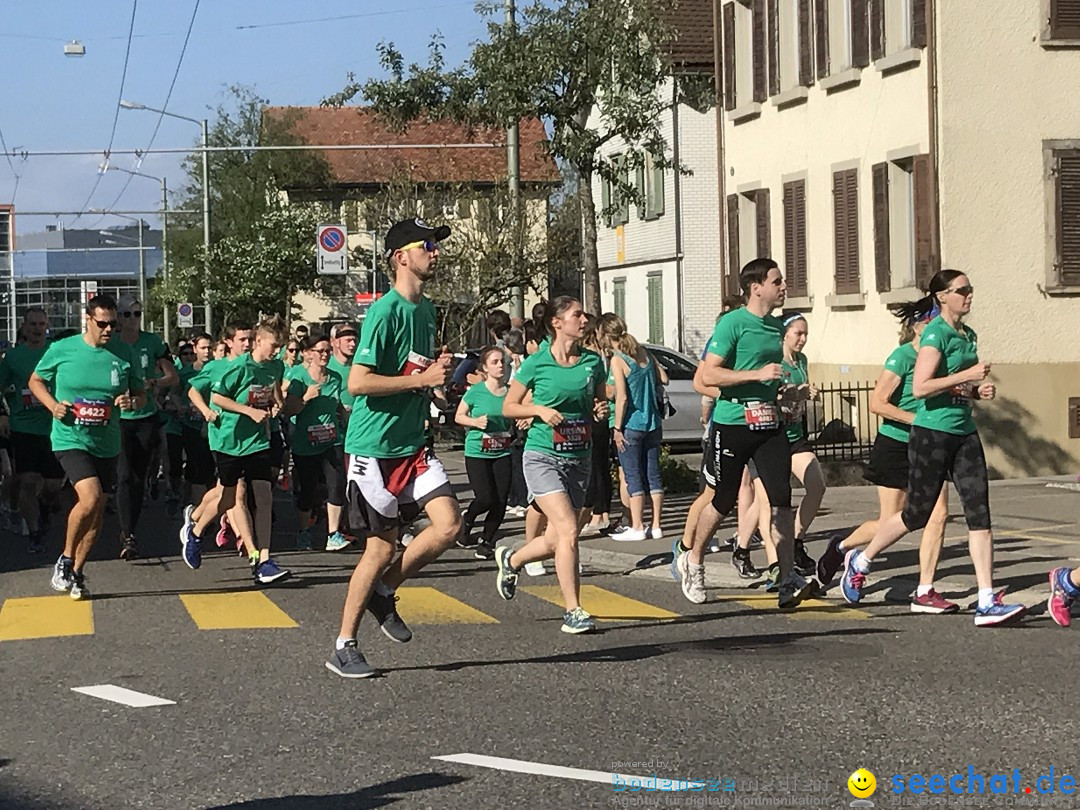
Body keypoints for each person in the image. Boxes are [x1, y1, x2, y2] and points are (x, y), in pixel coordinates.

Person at [839, 269, 1025, 626]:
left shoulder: (967, 335)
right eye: (962, 290)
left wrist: (974, 393)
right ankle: (860, 561)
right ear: (942, 297)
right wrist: (966, 377)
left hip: (964, 431)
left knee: (979, 512)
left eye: (971, 288)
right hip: (931, 433)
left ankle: (986, 599)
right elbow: (922, 387)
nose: (969, 295)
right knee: (917, 514)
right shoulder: (935, 335)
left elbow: (950, 389)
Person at [326, 218, 462, 679]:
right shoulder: (384, 312)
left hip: (412, 444)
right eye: (428, 245)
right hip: (373, 448)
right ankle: (344, 644)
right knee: (379, 548)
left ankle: (385, 592)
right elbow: (358, 382)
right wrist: (420, 379)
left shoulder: (426, 310)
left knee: (448, 526)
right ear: (401, 256)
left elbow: (415, 375)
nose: (436, 252)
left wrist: (435, 383)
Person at [674, 259, 815, 609]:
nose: (784, 286)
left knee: (781, 500)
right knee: (722, 500)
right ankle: (693, 561)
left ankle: (786, 579)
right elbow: (707, 376)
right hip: (733, 423)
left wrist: (787, 393)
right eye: (777, 281)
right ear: (756, 287)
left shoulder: (773, 328)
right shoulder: (733, 324)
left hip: (769, 424)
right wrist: (755, 376)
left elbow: (769, 379)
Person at [815, 303, 953, 613]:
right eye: (932, 319)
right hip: (896, 444)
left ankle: (925, 589)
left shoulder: (941, 359)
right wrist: (914, 419)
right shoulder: (902, 357)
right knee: (893, 521)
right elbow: (877, 403)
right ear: (917, 326)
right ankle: (844, 548)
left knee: (938, 513)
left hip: (931, 445)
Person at [493, 296, 609, 634]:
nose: (584, 319)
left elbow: (597, 401)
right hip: (542, 455)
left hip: (579, 457)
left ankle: (511, 560)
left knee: (558, 537)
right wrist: (539, 411)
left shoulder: (592, 362)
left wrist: (599, 411)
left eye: (584, 315)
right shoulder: (536, 363)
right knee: (570, 529)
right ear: (557, 323)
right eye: (577, 315)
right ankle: (573, 610)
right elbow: (509, 407)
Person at [29, 295, 145, 600]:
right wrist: (53, 405)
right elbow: (36, 381)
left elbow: (141, 395)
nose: (109, 330)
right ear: (89, 321)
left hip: (106, 443)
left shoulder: (124, 353)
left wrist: (132, 401)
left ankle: (78, 573)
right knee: (91, 496)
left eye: (114, 325)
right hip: (70, 438)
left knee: (95, 514)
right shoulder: (62, 350)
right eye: (103, 324)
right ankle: (66, 559)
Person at [180, 315, 291, 584]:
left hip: (258, 441)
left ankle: (263, 560)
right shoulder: (237, 367)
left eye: (280, 347)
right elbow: (217, 397)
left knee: (263, 497)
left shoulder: (275, 367)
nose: (276, 351)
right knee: (228, 498)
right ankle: (195, 532)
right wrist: (246, 411)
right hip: (229, 440)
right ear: (259, 341)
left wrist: (277, 406)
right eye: (273, 346)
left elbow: (275, 393)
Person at [748, 313, 824, 586]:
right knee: (770, 501)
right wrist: (798, 392)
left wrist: (806, 392)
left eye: (805, 334)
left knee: (816, 484)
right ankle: (774, 565)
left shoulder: (801, 361)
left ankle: (795, 539)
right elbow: (775, 395)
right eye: (798, 334)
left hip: (795, 435)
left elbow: (800, 392)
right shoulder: (774, 361)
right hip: (771, 434)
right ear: (785, 334)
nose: (802, 339)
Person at [111, 293, 178, 560]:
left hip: (145, 416)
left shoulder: (152, 342)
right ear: (118, 317)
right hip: (118, 419)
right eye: (127, 314)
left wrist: (153, 384)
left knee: (137, 477)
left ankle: (131, 528)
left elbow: (171, 376)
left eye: (137, 313)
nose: (132, 319)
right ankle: (127, 534)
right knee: (124, 475)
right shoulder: (111, 343)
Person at [0, 308, 65, 552]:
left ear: (47, 326)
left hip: (55, 426)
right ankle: (34, 532)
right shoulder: (14, 358)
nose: (37, 329)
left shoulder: (56, 351)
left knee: (52, 486)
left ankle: (45, 508)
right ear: (24, 327)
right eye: (33, 324)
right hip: (23, 427)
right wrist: (3, 416)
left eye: (42, 324)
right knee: (27, 481)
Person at [601, 315, 666, 541]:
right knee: (654, 475)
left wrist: (617, 427)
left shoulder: (618, 360)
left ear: (607, 337)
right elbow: (664, 379)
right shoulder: (644, 353)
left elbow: (622, 397)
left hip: (631, 423)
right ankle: (656, 525)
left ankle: (637, 526)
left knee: (633, 476)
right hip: (653, 422)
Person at [286, 334, 348, 552]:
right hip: (305, 443)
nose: (324, 355)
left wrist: (345, 416)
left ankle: (333, 534)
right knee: (308, 492)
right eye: (320, 351)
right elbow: (289, 409)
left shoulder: (335, 378)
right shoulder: (298, 377)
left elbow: (338, 405)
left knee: (337, 485)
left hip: (332, 440)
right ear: (308, 353)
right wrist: (306, 398)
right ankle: (303, 532)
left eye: (327, 351)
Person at [455, 346, 515, 560]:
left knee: (500, 500)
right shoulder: (476, 391)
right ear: (485, 368)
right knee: (485, 498)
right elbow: (458, 416)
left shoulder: (510, 392)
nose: (500, 366)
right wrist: (474, 422)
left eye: (503, 362)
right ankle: (468, 519)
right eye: (495, 362)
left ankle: (487, 540)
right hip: (477, 451)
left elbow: (518, 412)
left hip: (502, 451)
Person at [174, 334, 217, 509]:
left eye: (209, 348)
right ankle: (198, 512)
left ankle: (196, 506)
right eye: (203, 348)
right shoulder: (186, 372)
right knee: (199, 466)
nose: (207, 352)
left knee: (209, 469)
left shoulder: (217, 369)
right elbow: (174, 392)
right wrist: (179, 406)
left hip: (215, 426)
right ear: (195, 349)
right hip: (192, 425)